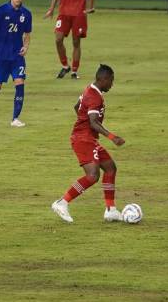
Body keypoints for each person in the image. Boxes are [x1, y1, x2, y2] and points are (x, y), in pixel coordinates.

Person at [51, 64, 125, 223]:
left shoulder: (89, 90)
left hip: (88, 138)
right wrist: (112, 137)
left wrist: (82, 121)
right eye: (111, 81)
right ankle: (62, 202)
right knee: (92, 175)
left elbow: (77, 106)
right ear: (104, 79)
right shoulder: (95, 96)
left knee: (110, 168)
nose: (112, 84)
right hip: (83, 139)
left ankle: (111, 210)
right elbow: (93, 122)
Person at [44, 0, 95, 79]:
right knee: (58, 39)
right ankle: (65, 65)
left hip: (78, 13)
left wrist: (90, 7)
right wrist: (51, 8)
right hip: (63, 12)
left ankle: (74, 71)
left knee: (76, 42)